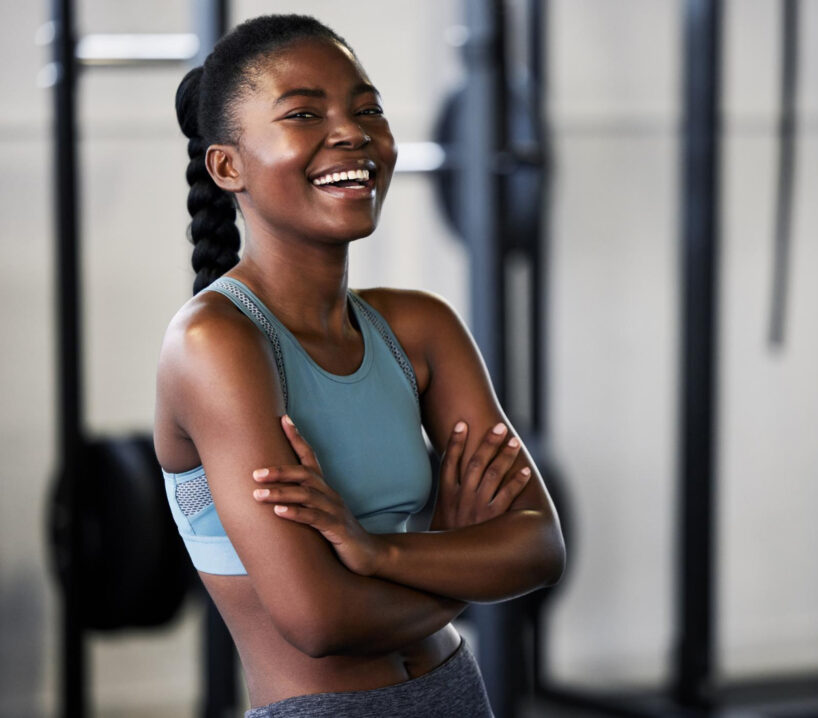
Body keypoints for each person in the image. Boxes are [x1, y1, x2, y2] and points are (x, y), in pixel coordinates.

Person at [153, 13, 565, 717]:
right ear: (228, 166)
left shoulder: (419, 326)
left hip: (459, 693)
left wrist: (377, 554)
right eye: (305, 113)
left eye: (366, 108)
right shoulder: (215, 344)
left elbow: (537, 545)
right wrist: (462, 561)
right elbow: (320, 621)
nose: (351, 131)